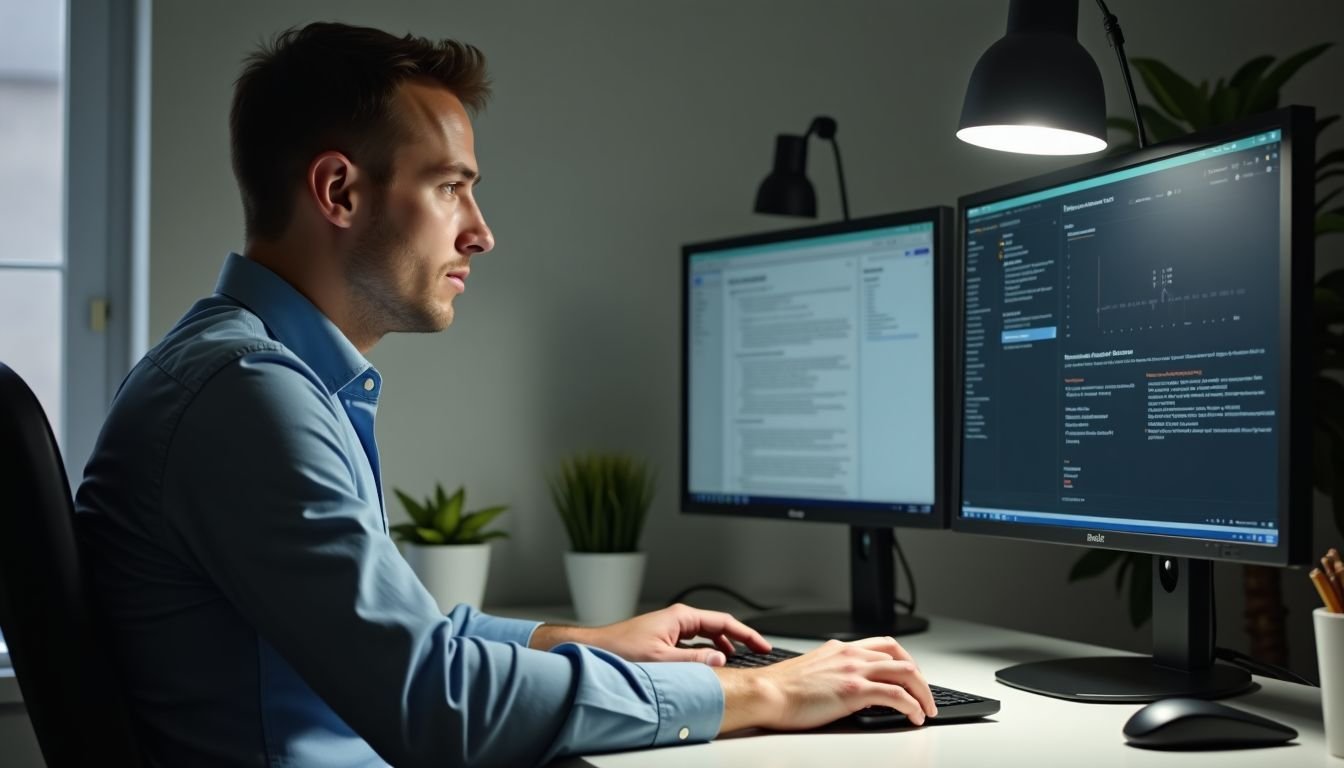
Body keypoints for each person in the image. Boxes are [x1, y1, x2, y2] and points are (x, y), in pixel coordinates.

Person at [75, 21, 936, 767]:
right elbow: (434, 704)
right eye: (451, 186)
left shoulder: (250, 373)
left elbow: (395, 641)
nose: (481, 233)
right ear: (339, 191)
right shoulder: (248, 395)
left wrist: (578, 641)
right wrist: (766, 697)